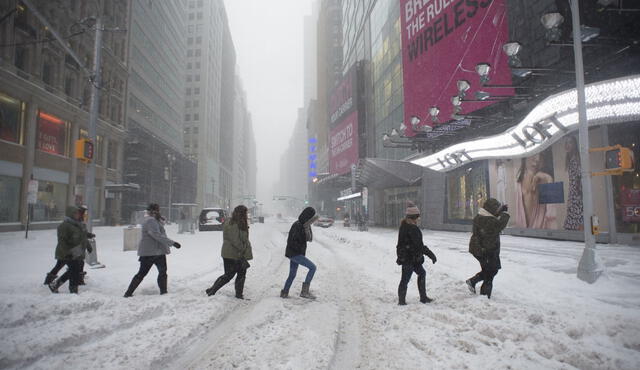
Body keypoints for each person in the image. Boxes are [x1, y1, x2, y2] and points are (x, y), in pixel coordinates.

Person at [124, 203, 181, 297]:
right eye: (156, 210)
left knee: (162, 272)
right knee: (142, 273)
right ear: (152, 211)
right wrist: (172, 243)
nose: (158, 212)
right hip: (150, 253)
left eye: (158, 210)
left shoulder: (155, 220)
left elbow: (159, 232)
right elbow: (156, 235)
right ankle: (128, 293)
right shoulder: (150, 221)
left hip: (158, 251)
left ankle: (164, 292)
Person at [205, 205, 253, 299]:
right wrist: (243, 248)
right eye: (245, 213)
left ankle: (239, 294)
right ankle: (212, 290)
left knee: (241, 273)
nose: (246, 214)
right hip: (231, 254)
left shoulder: (240, 222)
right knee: (229, 275)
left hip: (237, 254)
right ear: (241, 213)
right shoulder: (232, 223)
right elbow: (235, 240)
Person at [466, 198, 510, 299]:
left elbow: (493, 218)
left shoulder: (482, 216)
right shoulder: (487, 220)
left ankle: (473, 281)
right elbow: (499, 225)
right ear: (491, 209)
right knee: (490, 272)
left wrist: (500, 210)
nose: (498, 211)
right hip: (485, 250)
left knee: (489, 270)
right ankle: (484, 296)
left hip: (481, 249)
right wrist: (504, 213)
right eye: (497, 209)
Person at [396, 202, 437, 305]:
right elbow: (419, 246)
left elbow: (401, 244)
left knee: (420, 274)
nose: (418, 219)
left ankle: (422, 297)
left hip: (412, 258)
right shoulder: (411, 228)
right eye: (417, 217)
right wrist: (430, 254)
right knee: (405, 279)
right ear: (413, 217)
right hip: (409, 258)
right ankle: (402, 301)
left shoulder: (404, 226)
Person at [43, 205, 95, 286]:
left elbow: (82, 236)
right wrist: (67, 253)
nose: (82, 215)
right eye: (78, 213)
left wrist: (88, 245)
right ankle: (54, 283)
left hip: (76, 251)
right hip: (67, 252)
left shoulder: (79, 224)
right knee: (67, 267)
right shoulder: (65, 226)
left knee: (76, 266)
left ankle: (71, 283)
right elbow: (63, 242)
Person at [280, 207, 319, 299]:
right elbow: (292, 241)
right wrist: (298, 252)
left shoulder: (305, 225)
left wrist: (307, 227)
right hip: (295, 253)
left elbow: (309, 239)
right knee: (312, 267)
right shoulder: (297, 225)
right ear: (308, 216)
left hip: (295, 253)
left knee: (292, 274)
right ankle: (304, 292)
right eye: (311, 216)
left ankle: (285, 292)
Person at [514, 153, 556, 229]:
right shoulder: (517, 185)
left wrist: (549, 179)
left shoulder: (544, 183)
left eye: (540, 155)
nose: (537, 159)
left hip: (542, 237)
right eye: (534, 153)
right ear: (524, 156)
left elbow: (552, 216)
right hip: (523, 238)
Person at [563, 136, 584, 230]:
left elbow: (579, 176)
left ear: (575, 145)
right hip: (574, 193)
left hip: (577, 194)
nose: (567, 145)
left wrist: (576, 194)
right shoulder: (571, 159)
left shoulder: (575, 159)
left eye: (570, 142)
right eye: (566, 143)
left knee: (576, 218)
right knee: (575, 218)